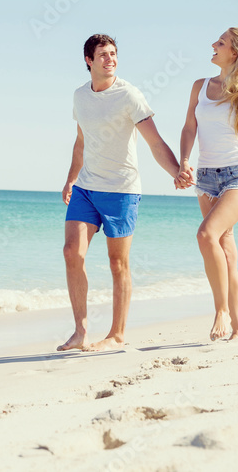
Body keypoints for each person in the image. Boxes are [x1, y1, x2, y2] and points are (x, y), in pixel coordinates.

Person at [58, 34, 182, 352]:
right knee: (72, 252)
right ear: (88, 60)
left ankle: (116, 333)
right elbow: (81, 142)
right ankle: (80, 331)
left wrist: (178, 171)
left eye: (113, 54)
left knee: (117, 264)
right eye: (103, 54)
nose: (110, 59)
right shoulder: (80, 96)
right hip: (86, 187)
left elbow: (155, 141)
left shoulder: (129, 95)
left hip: (121, 190)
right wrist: (71, 179)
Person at [176, 27, 238, 341]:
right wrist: (184, 161)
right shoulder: (200, 86)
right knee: (226, 250)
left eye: (221, 42)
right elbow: (190, 125)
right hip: (207, 176)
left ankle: (221, 310)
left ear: (234, 52)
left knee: (206, 234)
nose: (213, 45)